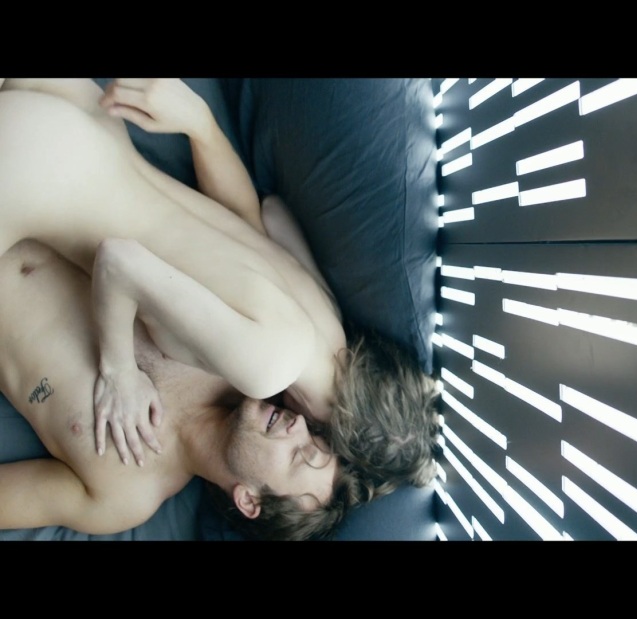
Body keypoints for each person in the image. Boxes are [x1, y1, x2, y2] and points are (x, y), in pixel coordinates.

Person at [0, 78, 439, 496]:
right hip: (36, 177)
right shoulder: (267, 367)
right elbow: (118, 263)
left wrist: (199, 121)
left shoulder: (326, 314)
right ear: (332, 439)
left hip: (85, 117)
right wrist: (120, 373)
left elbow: (270, 213)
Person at [0, 239, 362, 539]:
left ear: (249, 501)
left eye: (298, 455)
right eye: (312, 436)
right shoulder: (233, 356)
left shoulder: (124, 495)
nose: (298, 425)